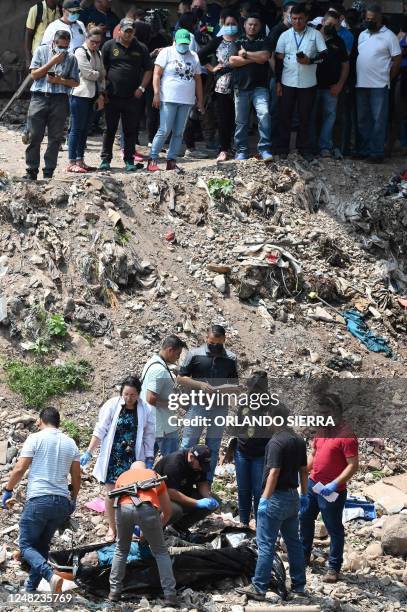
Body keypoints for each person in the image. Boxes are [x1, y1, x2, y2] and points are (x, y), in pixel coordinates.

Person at [1, 407, 80, 594]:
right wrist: (74, 498)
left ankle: (50, 575)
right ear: (58, 423)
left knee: (26, 545)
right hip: (61, 503)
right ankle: (31, 589)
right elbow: (76, 477)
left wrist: (8, 490)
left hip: (39, 499)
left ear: (40, 421)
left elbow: (20, 468)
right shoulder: (70, 444)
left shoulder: (35, 438)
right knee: (42, 546)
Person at [236, 404, 308, 601]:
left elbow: (274, 472)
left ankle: (258, 586)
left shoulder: (276, 442)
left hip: (275, 498)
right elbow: (303, 470)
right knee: (293, 543)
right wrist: (304, 494)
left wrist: (264, 500)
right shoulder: (298, 440)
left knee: (266, 543)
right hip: (293, 497)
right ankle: (299, 586)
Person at [79, 376, 155, 542]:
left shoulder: (146, 410)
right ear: (121, 393)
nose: (128, 398)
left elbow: (149, 435)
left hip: (133, 458)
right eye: (126, 394)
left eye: (133, 395)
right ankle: (112, 529)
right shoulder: (112, 405)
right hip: (114, 456)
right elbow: (100, 429)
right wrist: (89, 451)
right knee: (112, 494)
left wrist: (149, 457)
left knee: (133, 494)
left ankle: (129, 528)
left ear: (139, 395)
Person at [300, 393, 359, 583]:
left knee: (334, 528)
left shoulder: (347, 435)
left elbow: (353, 465)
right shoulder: (321, 430)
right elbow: (314, 454)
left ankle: (334, 567)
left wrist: (335, 483)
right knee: (305, 518)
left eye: (325, 412)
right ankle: (303, 556)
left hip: (332, 491)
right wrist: (302, 471)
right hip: (313, 485)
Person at [108, 461, 178, 607]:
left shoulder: (122, 476)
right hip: (147, 509)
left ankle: (114, 592)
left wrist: (113, 528)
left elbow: (112, 502)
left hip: (122, 509)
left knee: (121, 549)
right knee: (160, 552)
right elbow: (168, 511)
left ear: (131, 469)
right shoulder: (153, 475)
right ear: (145, 468)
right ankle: (170, 595)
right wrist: (156, 529)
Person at [178, 324, 239, 485]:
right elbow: (181, 377)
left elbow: (235, 386)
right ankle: (181, 480)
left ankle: (206, 483)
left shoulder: (231, 358)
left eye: (218, 344)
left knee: (213, 445)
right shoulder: (194, 354)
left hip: (219, 407)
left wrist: (220, 389)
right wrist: (200, 385)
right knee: (189, 443)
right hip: (198, 405)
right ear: (206, 338)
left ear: (224, 340)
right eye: (211, 343)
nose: (214, 347)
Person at [24, 29, 79, 180]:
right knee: (34, 135)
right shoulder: (41, 51)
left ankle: (49, 172)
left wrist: (60, 81)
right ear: (54, 42)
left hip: (59, 99)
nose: (63, 50)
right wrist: (52, 62)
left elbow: (76, 82)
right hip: (39, 97)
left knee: (55, 138)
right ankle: (31, 171)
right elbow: (34, 75)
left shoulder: (72, 58)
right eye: (60, 46)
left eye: (66, 47)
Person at [275, 3, 327, 161]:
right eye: (294, 18)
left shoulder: (315, 34)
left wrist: (310, 61)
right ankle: (283, 148)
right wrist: (277, 82)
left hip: (308, 83)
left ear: (306, 19)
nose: (297, 22)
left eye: (300, 19)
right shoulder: (284, 35)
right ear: (290, 18)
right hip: (287, 82)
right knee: (285, 116)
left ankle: (304, 148)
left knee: (305, 117)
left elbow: (325, 55)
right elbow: (278, 59)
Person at [99, 18, 153, 172]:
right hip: (112, 96)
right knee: (109, 129)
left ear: (134, 32)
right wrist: (103, 90)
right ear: (120, 30)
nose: (128, 34)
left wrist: (142, 88)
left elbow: (149, 69)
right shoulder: (109, 46)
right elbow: (102, 68)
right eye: (126, 31)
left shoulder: (141, 48)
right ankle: (105, 159)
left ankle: (129, 160)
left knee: (130, 130)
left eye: (131, 31)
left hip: (132, 97)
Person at [146, 29, 204, 172]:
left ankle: (171, 160)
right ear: (175, 41)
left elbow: (198, 80)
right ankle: (152, 158)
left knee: (179, 131)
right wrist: (156, 93)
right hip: (168, 98)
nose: (183, 46)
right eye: (181, 43)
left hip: (186, 100)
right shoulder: (166, 52)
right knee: (165, 129)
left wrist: (200, 101)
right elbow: (156, 74)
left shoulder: (194, 56)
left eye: (186, 43)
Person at [355, 4, 401, 163]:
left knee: (378, 120)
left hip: (379, 85)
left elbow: (397, 60)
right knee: (363, 119)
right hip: (361, 84)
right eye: (367, 19)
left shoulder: (390, 36)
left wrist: (388, 78)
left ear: (380, 19)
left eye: (373, 19)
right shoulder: (362, 35)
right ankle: (365, 150)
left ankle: (376, 152)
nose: (369, 22)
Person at [229, 13, 273, 161]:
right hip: (241, 88)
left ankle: (265, 149)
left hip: (260, 87)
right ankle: (241, 151)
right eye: (250, 24)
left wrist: (245, 55)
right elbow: (233, 61)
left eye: (255, 25)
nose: (252, 27)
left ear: (260, 26)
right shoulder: (237, 40)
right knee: (241, 122)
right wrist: (254, 58)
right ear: (245, 25)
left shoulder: (265, 40)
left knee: (264, 114)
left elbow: (265, 57)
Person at [198, 10, 240, 162]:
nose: (230, 26)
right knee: (223, 118)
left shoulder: (241, 40)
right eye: (227, 24)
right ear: (223, 24)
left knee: (239, 118)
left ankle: (237, 148)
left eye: (233, 24)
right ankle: (223, 149)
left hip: (240, 83)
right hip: (222, 83)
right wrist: (211, 68)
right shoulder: (217, 40)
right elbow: (200, 54)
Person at [232, 371, 270, 526]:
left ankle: (259, 524)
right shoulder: (244, 403)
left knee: (257, 490)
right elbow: (236, 427)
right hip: (242, 451)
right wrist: (230, 449)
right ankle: (244, 523)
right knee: (243, 490)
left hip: (261, 454)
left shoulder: (270, 406)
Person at [155, 445, 219, 534]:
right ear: (191, 457)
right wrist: (196, 503)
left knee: (213, 501)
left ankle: (178, 527)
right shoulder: (174, 463)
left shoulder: (199, 463)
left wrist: (208, 497)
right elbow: (170, 492)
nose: (201, 468)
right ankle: (156, 531)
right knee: (175, 510)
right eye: (200, 465)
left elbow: (202, 483)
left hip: (183, 492)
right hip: (162, 496)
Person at [141, 335, 187, 456]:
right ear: (170, 350)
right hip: (163, 426)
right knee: (173, 460)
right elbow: (150, 398)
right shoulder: (159, 370)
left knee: (147, 459)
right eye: (178, 354)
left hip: (151, 423)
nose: (177, 358)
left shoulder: (152, 362)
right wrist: (175, 402)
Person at [67, 27, 105, 173]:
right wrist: (98, 74)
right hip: (79, 94)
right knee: (76, 129)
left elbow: (102, 73)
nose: (95, 45)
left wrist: (101, 90)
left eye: (98, 42)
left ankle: (80, 159)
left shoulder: (98, 53)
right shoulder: (80, 52)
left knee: (85, 129)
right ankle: (71, 162)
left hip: (93, 95)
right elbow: (88, 74)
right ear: (86, 39)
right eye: (93, 42)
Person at [311, 11, 349, 157]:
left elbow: (345, 65)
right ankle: (310, 147)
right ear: (323, 21)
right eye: (329, 24)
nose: (331, 27)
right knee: (310, 116)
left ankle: (325, 147)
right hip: (311, 86)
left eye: (334, 25)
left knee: (329, 117)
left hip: (331, 88)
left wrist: (340, 84)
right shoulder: (312, 36)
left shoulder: (338, 41)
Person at [25, 0, 62, 68]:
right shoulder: (36, 9)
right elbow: (28, 35)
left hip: (56, 55)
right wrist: (28, 60)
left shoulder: (60, 10)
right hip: (39, 55)